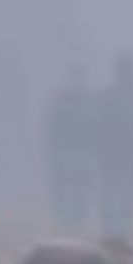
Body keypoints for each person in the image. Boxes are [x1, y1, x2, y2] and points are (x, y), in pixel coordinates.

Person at [96, 53, 133, 237]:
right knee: (116, 190)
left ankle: (120, 226)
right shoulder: (118, 95)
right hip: (116, 153)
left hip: (126, 153)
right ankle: (113, 226)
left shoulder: (127, 94)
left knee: (125, 190)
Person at [45, 66, 99, 233]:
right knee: (64, 185)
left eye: (79, 77)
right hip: (66, 150)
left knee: (82, 186)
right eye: (75, 76)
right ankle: (63, 217)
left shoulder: (89, 100)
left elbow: (96, 128)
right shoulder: (61, 100)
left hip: (83, 150)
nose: (77, 81)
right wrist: (53, 150)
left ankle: (77, 218)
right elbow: (53, 127)